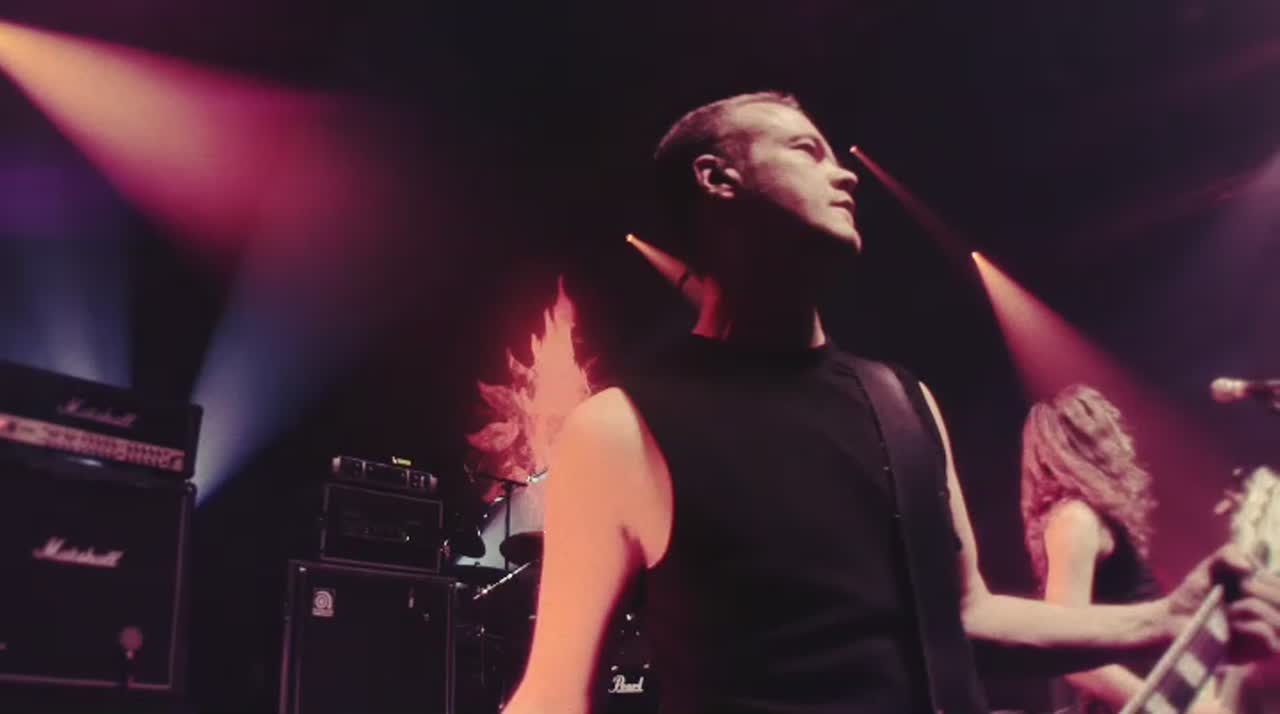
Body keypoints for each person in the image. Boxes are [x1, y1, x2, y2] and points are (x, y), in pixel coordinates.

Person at [501, 91, 1280, 714]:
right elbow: (555, 693)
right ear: (717, 178)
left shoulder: (904, 401)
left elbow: (968, 615)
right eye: (806, 150)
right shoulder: (621, 426)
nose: (845, 176)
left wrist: (1162, 621)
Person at [1021, 385, 1237, 714]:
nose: (1121, 437)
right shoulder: (1075, 519)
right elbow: (1068, 653)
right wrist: (1166, 707)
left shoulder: (1096, 516)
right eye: (1106, 428)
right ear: (1088, 440)